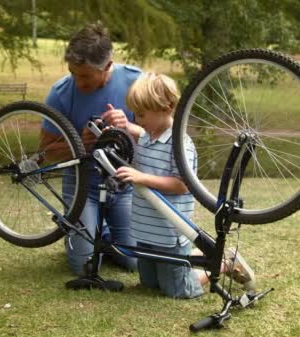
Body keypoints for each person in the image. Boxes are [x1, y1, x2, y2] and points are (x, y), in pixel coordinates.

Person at [115, 73, 255, 299]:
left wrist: (141, 177)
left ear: (167, 107)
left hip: (169, 231)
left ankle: (224, 264)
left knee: (177, 289)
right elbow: (140, 131)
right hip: (146, 229)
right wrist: (125, 126)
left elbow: (182, 185)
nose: (138, 120)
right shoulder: (147, 135)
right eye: (135, 114)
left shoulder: (180, 144)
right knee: (149, 284)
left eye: (141, 114)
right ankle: (197, 257)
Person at [39, 22, 142, 276]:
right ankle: (86, 230)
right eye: (73, 73)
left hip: (124, 184)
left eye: (84, 76)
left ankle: (99, 232)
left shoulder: (136, 83)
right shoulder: (61, 93)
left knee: (134, 262)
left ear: (107, 67)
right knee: (84, 268)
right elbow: (46, 153)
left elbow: (162, 138)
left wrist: (129, 127)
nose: (78, 81)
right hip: (82, 188)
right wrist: (80, 143)